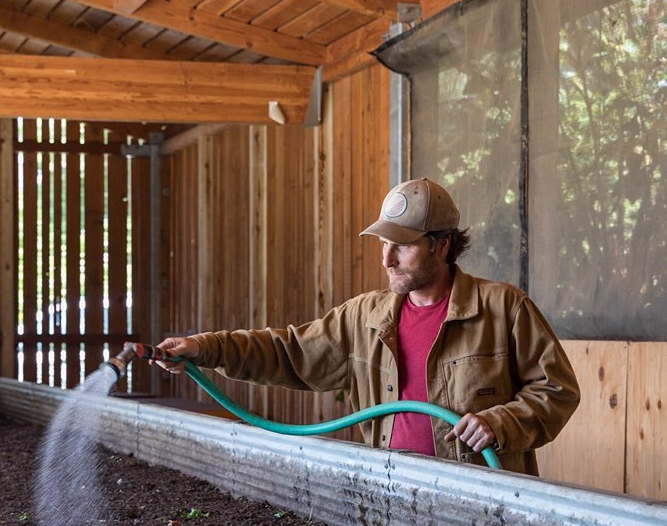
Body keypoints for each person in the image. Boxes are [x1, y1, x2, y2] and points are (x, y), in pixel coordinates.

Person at [154, 177, 580, 475]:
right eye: (383, 244)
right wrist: (203, 348)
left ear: (442, 245)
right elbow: (287, 351)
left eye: (402, 246)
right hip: (389, 495)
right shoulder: (364, 318)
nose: (386, 259)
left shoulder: (503, 308)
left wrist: (500, 423)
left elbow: (556, 392)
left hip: (482, 503)